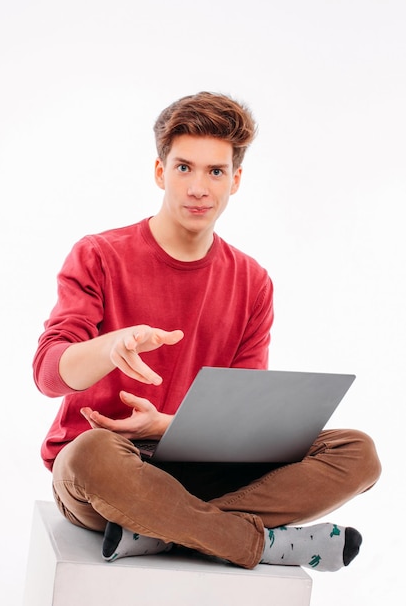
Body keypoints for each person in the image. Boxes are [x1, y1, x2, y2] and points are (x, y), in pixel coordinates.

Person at [33, 91, 381, 572]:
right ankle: (260, 544)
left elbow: (242, 421)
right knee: (90, 454)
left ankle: (159, 532)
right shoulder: (98, 255)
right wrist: (109, 348)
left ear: (235, 180)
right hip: (109, 472)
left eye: (215, 171)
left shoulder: (252, 280)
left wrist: (163, 426)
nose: (198, 187)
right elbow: (49, 375)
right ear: (160, 172)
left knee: (356, 453)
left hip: (201, 470)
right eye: (183, 168)